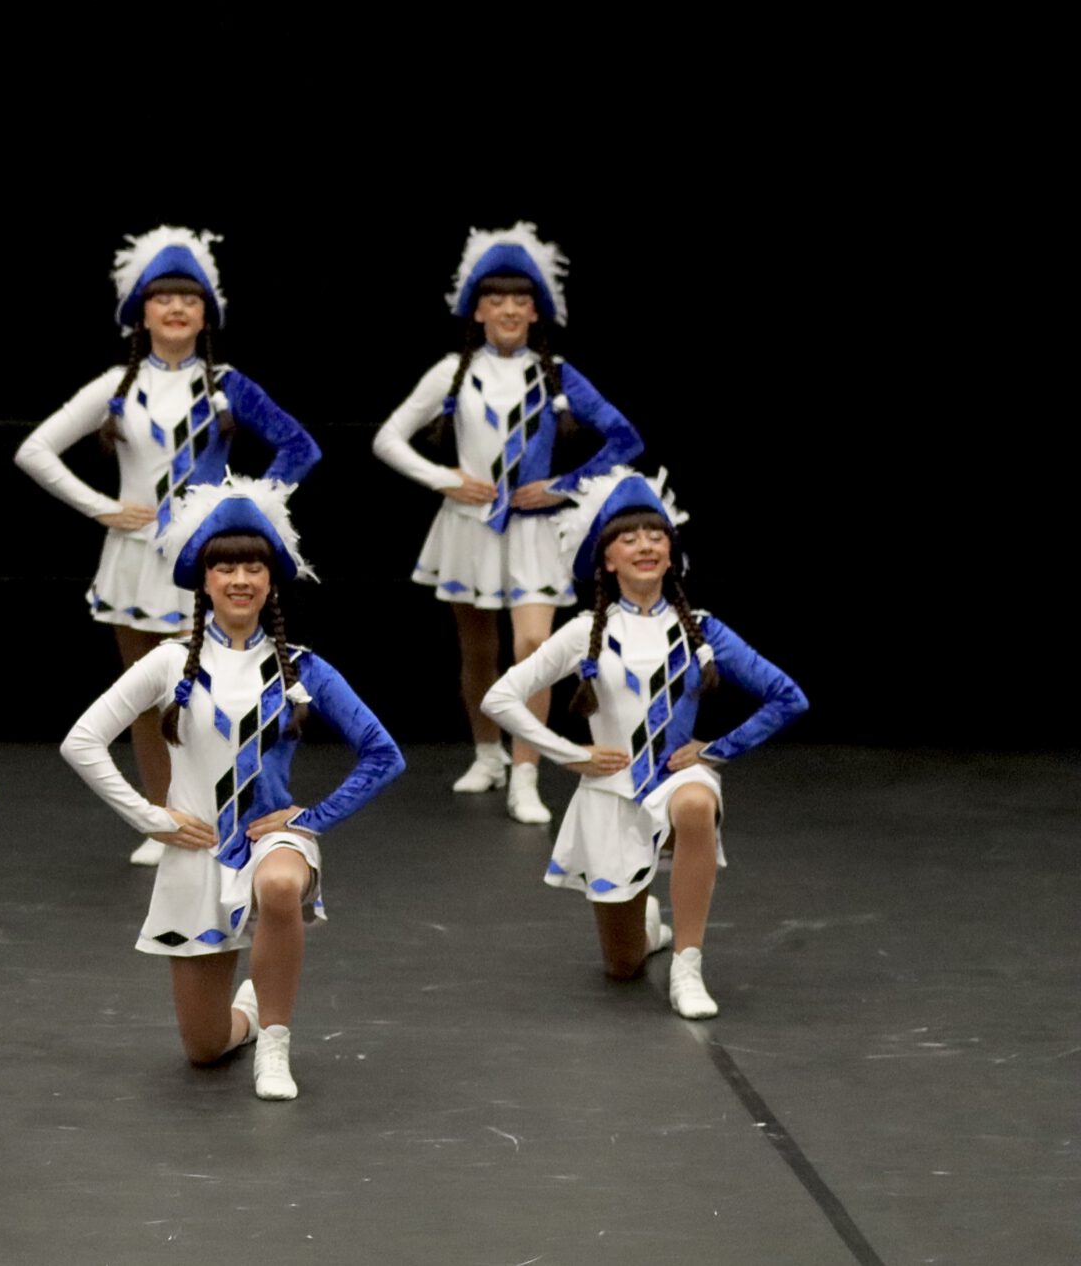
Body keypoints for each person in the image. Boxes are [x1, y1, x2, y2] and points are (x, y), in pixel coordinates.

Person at [61, 479, 402, 1099]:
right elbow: (81, 741)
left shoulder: (304, 666)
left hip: (271, 839)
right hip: (196, 854)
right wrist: (152, 818)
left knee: (280, 885)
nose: (240, 579)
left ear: (272, 581)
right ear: (204, 580)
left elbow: (383, 754)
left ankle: (275, 1042)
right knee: (204, 1047)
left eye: (253, 567)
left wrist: (312, 818)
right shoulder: (167, 663)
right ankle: (247, 1015)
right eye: (225, 567)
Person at [15, 225, 321, 865]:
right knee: (146, 698)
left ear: (207, 314)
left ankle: (230, 810)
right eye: (163, 298)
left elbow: (300, 447)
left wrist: (246, 510)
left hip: (207, 565)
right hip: (134, 563)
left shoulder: (230, 385)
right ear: (142, 313)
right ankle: (163, 818)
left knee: (218, 691)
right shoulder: (116, 386)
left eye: (189, 299)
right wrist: (104, 508)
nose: (176, 308)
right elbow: (35, 450)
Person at [482, 469, 806, 1018]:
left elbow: (787, 696)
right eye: (629, 538)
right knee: (623, 965)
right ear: (607, 560)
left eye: (656, 536)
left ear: (671, 554)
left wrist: (717, 750)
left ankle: (688, 964)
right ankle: (649, 929)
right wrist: (572, 755)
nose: (645, 546)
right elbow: (501, 697)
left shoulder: (703, 631)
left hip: (676, 778)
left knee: (696, 802)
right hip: (611, 793)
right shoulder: (584, 631)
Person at [370, 222, 639, 824]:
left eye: (521, 299)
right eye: (497, 299)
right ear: (478, 310)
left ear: (537, 311)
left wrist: (563, 486)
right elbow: (388, 438)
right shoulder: (452, 371)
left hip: (535, 532)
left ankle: (527, 772)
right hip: (468, 526)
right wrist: (444, 478)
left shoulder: (557, 373)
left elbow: (625, 438)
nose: (510, 309)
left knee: (535, 648)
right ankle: (487, 753)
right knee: (477, 651)